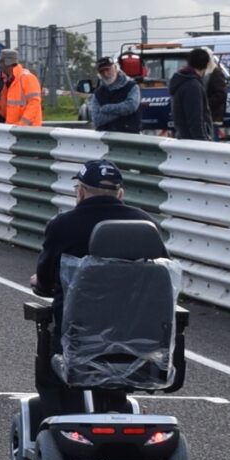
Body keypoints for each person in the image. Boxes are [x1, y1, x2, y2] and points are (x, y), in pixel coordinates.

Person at [28, 159, 162, 417]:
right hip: (137, 342)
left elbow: (45, 282)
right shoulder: (145, 225)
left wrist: (39, 281)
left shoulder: (63, 225)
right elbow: (160, 276)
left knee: (50, 345)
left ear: (80, 192)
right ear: (120, 194)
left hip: (77, 340)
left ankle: (59, 411)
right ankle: (115, 403)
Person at [85, 56, 141, 134]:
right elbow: (97, 120)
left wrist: (106, 108)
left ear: (115, 67)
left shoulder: (132, 86)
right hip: (105, 137)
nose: (105, 74)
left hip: (130, 136)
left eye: (108, 69)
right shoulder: (97, 94)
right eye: (101, 71)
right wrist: (122, 112)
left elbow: (131, 106)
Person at [169, 48, 213, 140]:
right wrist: (203, 142)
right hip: (193, 141)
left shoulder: (182, 80)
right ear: (206, 64)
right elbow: (195, 120)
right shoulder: (193, 85)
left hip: (184, 137)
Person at [0, 53, 44, 127]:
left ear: (7, 62)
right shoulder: (8, 80)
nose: (0, 65)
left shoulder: (27, 78)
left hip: (29, 129)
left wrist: (22, 124)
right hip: (13, 128)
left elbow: (34, 103)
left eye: (1, 62)